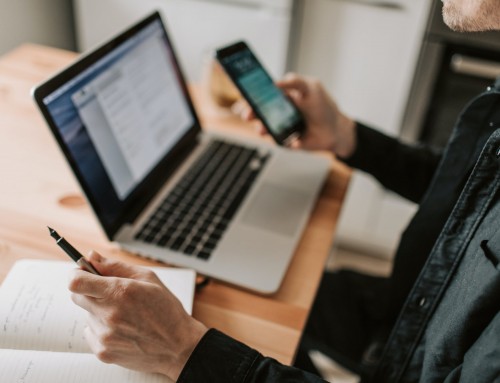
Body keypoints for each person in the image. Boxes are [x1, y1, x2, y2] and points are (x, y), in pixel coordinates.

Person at [69, 1, 500, 382]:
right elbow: (472, 188)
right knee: (275, 299)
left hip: (412, 354)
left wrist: (184, 351)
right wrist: (348, 137)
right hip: (409, 306)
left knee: (242, 319)